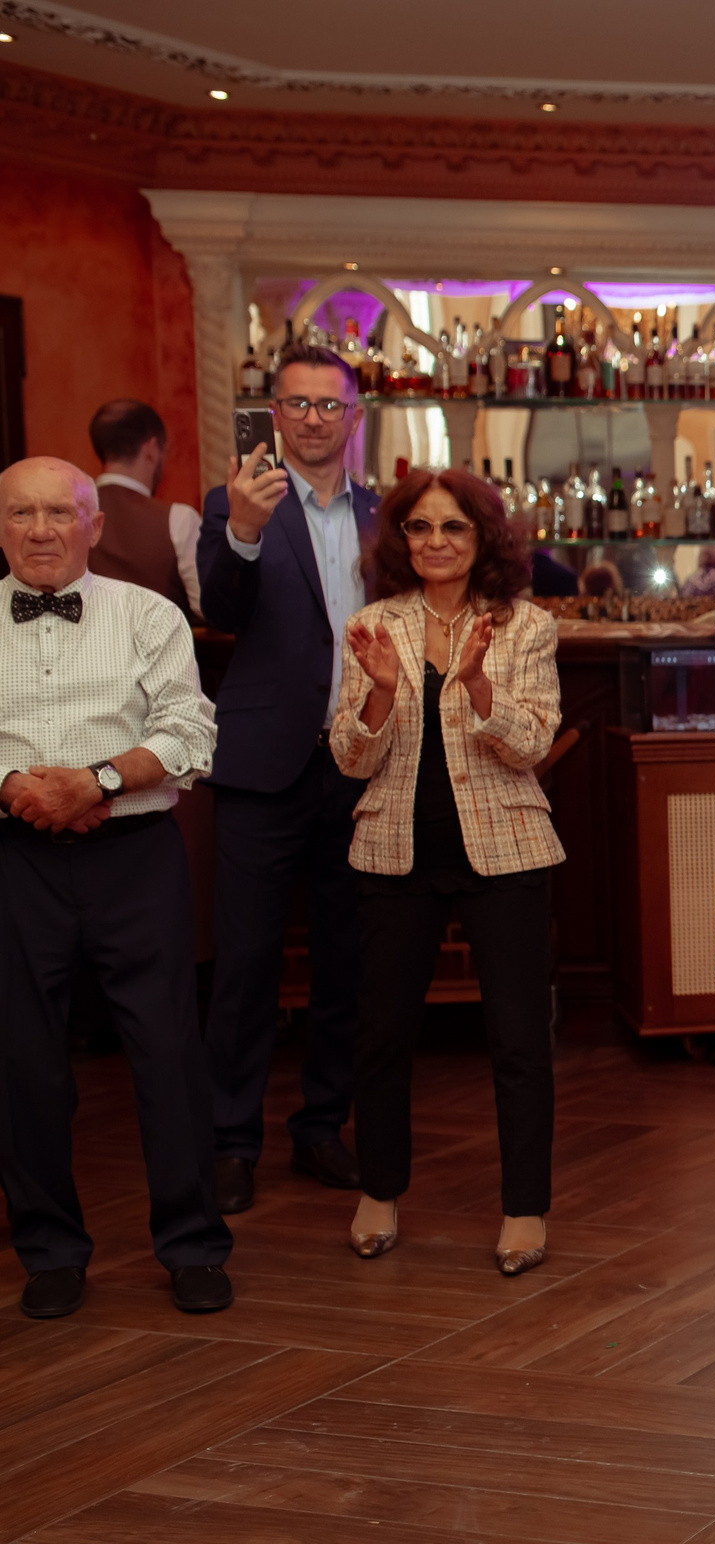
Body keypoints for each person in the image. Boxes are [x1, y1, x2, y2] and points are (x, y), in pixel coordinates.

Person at [0, 457, 229, 1318]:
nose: (41, 529)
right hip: (12, 854)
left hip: (134, 854)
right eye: (20, 513)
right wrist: (23, 788)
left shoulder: (148, 614)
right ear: (0, 527)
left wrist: (93, 782)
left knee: (166, 1050)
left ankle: (193, 1244)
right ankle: (50, 1249)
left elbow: (188, 731)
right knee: (22, 1060)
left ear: (93, 525)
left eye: (60, 512)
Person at [332, 468, 563, 1276]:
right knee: (383, 1034)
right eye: (420, 528)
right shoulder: (372, 626)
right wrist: (383, 695)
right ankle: (380, 1191)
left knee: (519, 1040)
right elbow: (351, 759)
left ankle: (525, 1207)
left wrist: (476, 684)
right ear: (402, 540)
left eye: (453, 528)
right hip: (394, 850)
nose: (435, 542)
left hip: (504, 851)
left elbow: (530, 743)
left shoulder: (523, 626)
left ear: (482, 539)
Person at [198, 344, 376, 1212]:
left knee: (347, 960)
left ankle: (321, 1128)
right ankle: (231, 1141)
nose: (312, 417)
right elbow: (221, 612)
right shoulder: (234, 505)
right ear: (275, 415)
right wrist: (241, 527)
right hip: (263, 767)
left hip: (361, 769)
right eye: (296, 404)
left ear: (354, 417)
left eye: (328, 405)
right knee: (245, 967)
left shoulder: (389, 516)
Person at [87, 399, 202, 616]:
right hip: (162, 648)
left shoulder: (72, 511)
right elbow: (207, 607)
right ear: (151, 448)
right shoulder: (179, 518)